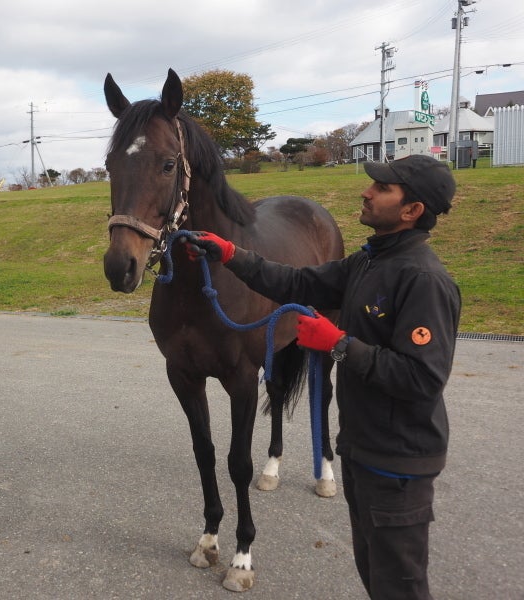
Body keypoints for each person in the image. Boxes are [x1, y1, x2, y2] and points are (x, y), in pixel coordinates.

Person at [183, 154, 460, 600]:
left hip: (399, 464)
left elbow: (422, 379)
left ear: (412, 211)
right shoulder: (367, 263)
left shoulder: (423, 279)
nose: (366, 192)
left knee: (399, 585)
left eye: (382, 188)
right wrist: (231, 254)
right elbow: (295, 281)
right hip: (362, 449)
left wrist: (338, 343)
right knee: (375, 574)